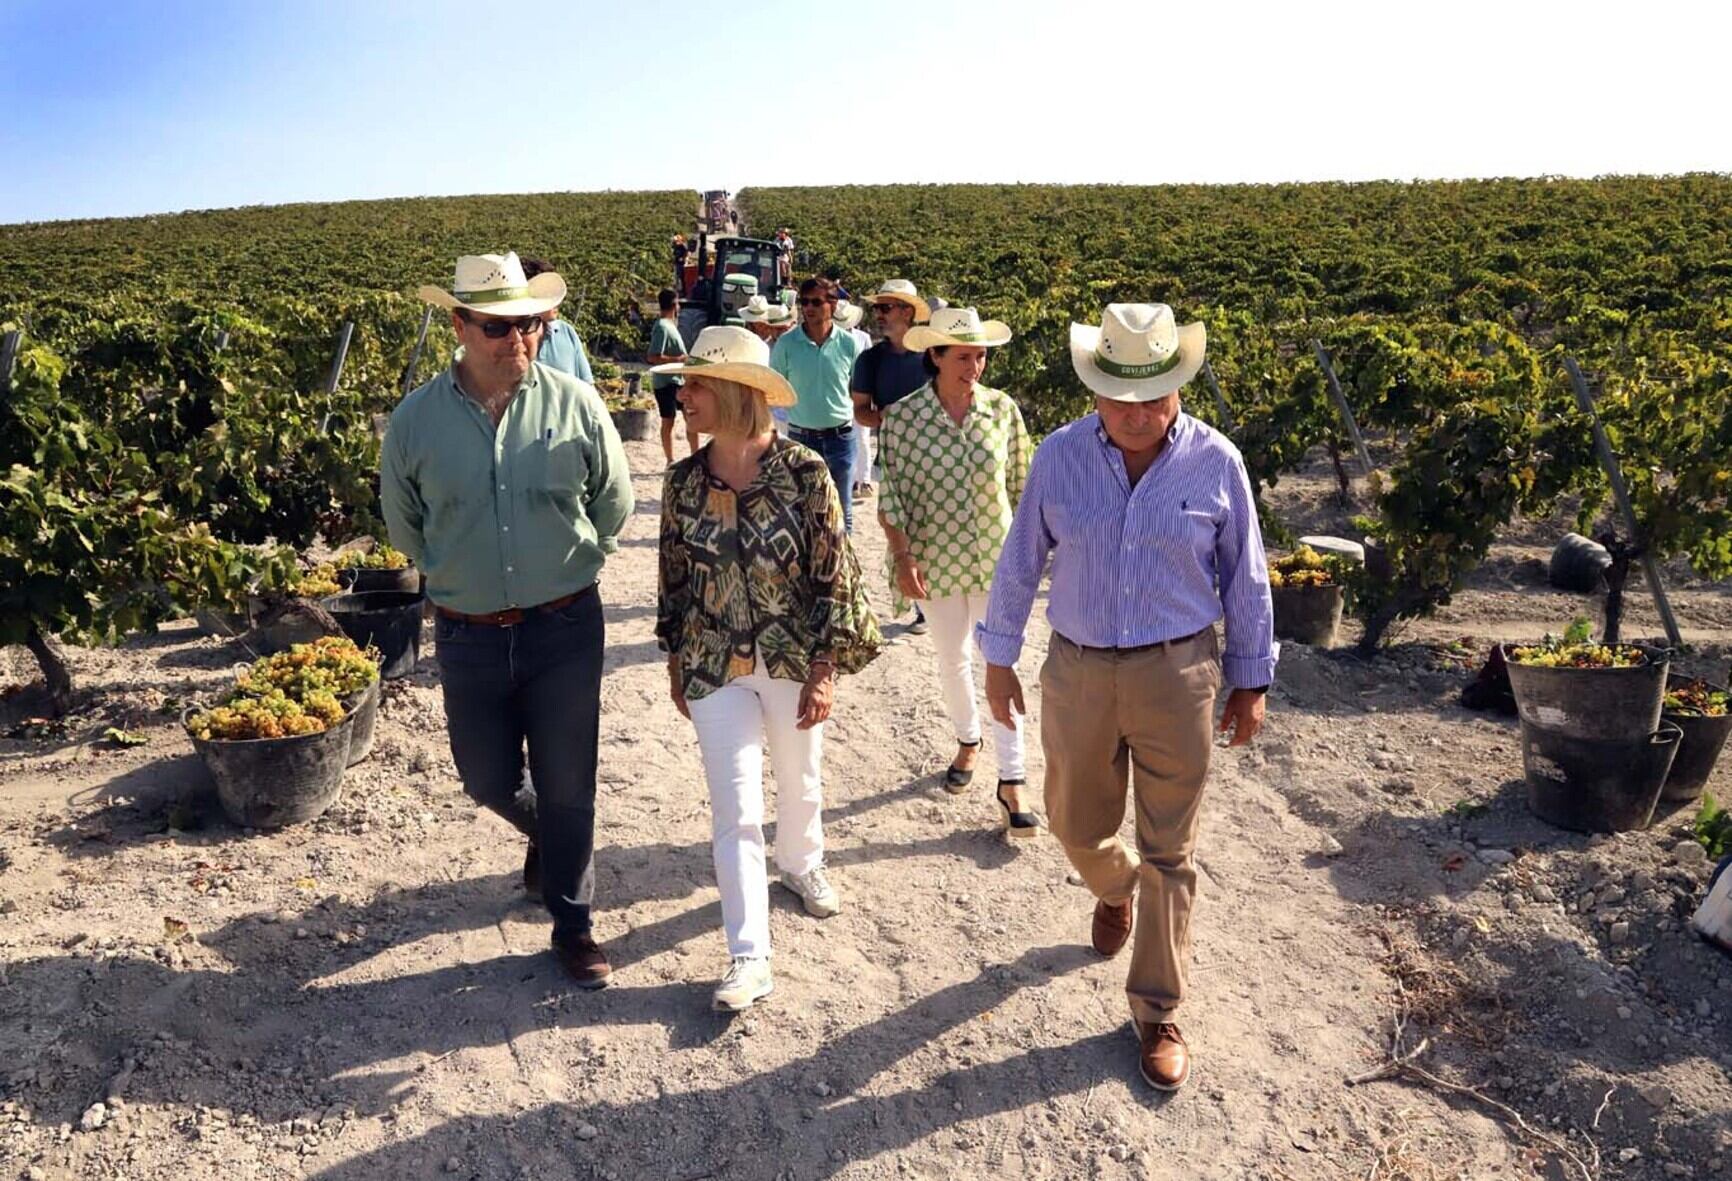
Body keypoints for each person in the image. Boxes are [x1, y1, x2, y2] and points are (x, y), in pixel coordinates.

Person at [978, 303, 1277, 1091]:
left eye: (1154, 396)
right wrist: (998, 658)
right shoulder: (1060, 456)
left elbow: (1246, 575)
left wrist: (1251, 677)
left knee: (1171, 849)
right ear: (1095, 388)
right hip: (1078, 669)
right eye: (1121, 398)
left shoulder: (1216, 462)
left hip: (1178, 674)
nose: (1138, 413)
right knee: (1073, 821)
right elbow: (1020, 559)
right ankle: (1116, 886)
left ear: (1179, 386)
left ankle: (1158, 1009)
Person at [383, 252, 634, 989]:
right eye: (497, 326)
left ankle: (573, 924)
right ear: (459, 327)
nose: (516, 339)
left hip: (564, 625)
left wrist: (575, 560)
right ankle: (548, 837)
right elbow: (405, 526)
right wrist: (460, 574)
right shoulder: (415, 421)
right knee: (485, 777)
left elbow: (613, 502)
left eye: (527, 324)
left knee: (568, 780)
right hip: (468, 631)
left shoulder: (576, 403)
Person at [652, 326, 883, 1012]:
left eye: (695, 384)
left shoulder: (806, 473)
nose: (683, 395)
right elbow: (672, 578)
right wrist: (675, 658)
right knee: (736, 809)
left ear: (733, 391)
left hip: (793, 656)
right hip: (713, 661)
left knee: (799, 776)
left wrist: (825, 666)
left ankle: (802, 863)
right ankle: (749, 954)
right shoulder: (682, 482)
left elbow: (834, 574)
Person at [877, 307, 1034, 833]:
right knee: (952, 659)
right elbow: (892, 497)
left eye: (981, 356)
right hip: (933, 559)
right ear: (936, 356)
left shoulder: (1002, 410)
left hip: (997, 559)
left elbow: (1024, 486)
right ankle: (969, 739)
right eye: (964, 356)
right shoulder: (903, 419)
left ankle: (1013, 777)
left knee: (1001, 661)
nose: (975, 366)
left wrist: (1034, 556)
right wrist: (903, 557)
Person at [851, 279, 934, 635]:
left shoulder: (934, 355)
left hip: (937, 457)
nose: (879, 315)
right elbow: (860, 412)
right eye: (877, 308)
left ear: (908, 312)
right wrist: (886, 417)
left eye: (885, 308)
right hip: (895, 461)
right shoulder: (870, 360)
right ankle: (922, 605)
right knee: (904, 531)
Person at [769, 277, 862, 533]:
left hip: (841, 439)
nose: (808, 307)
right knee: (801, 510)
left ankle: (843, 559)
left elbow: (858, 390)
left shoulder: (849, 344)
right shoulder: (786, 344)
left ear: (833, 304)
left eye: (816, 302)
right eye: (805, 302)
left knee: (842, 510)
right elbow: (774, 389)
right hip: (801, 439)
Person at [647, 288, 700, 465]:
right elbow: (653, 356)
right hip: (666, 383)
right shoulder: (662, 327)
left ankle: (695, 457)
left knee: (690, 418)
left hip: (678, 380)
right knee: (668, 422)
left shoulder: (670, 325)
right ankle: (670, 460)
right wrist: (679, 359)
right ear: (674, 305)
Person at [520, 257, 594, 383]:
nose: (557, 301)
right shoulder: (511, 339)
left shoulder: (567, 332)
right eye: (548, 293)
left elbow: (588, 386)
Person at [833, 299, 874, 501]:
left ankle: (864, 479)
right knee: (845, 438)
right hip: (839, 394)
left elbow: (871, 365)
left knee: (862, 437)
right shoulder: (831, 339)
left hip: (861, 392)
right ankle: (851, 480)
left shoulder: (863, 338)